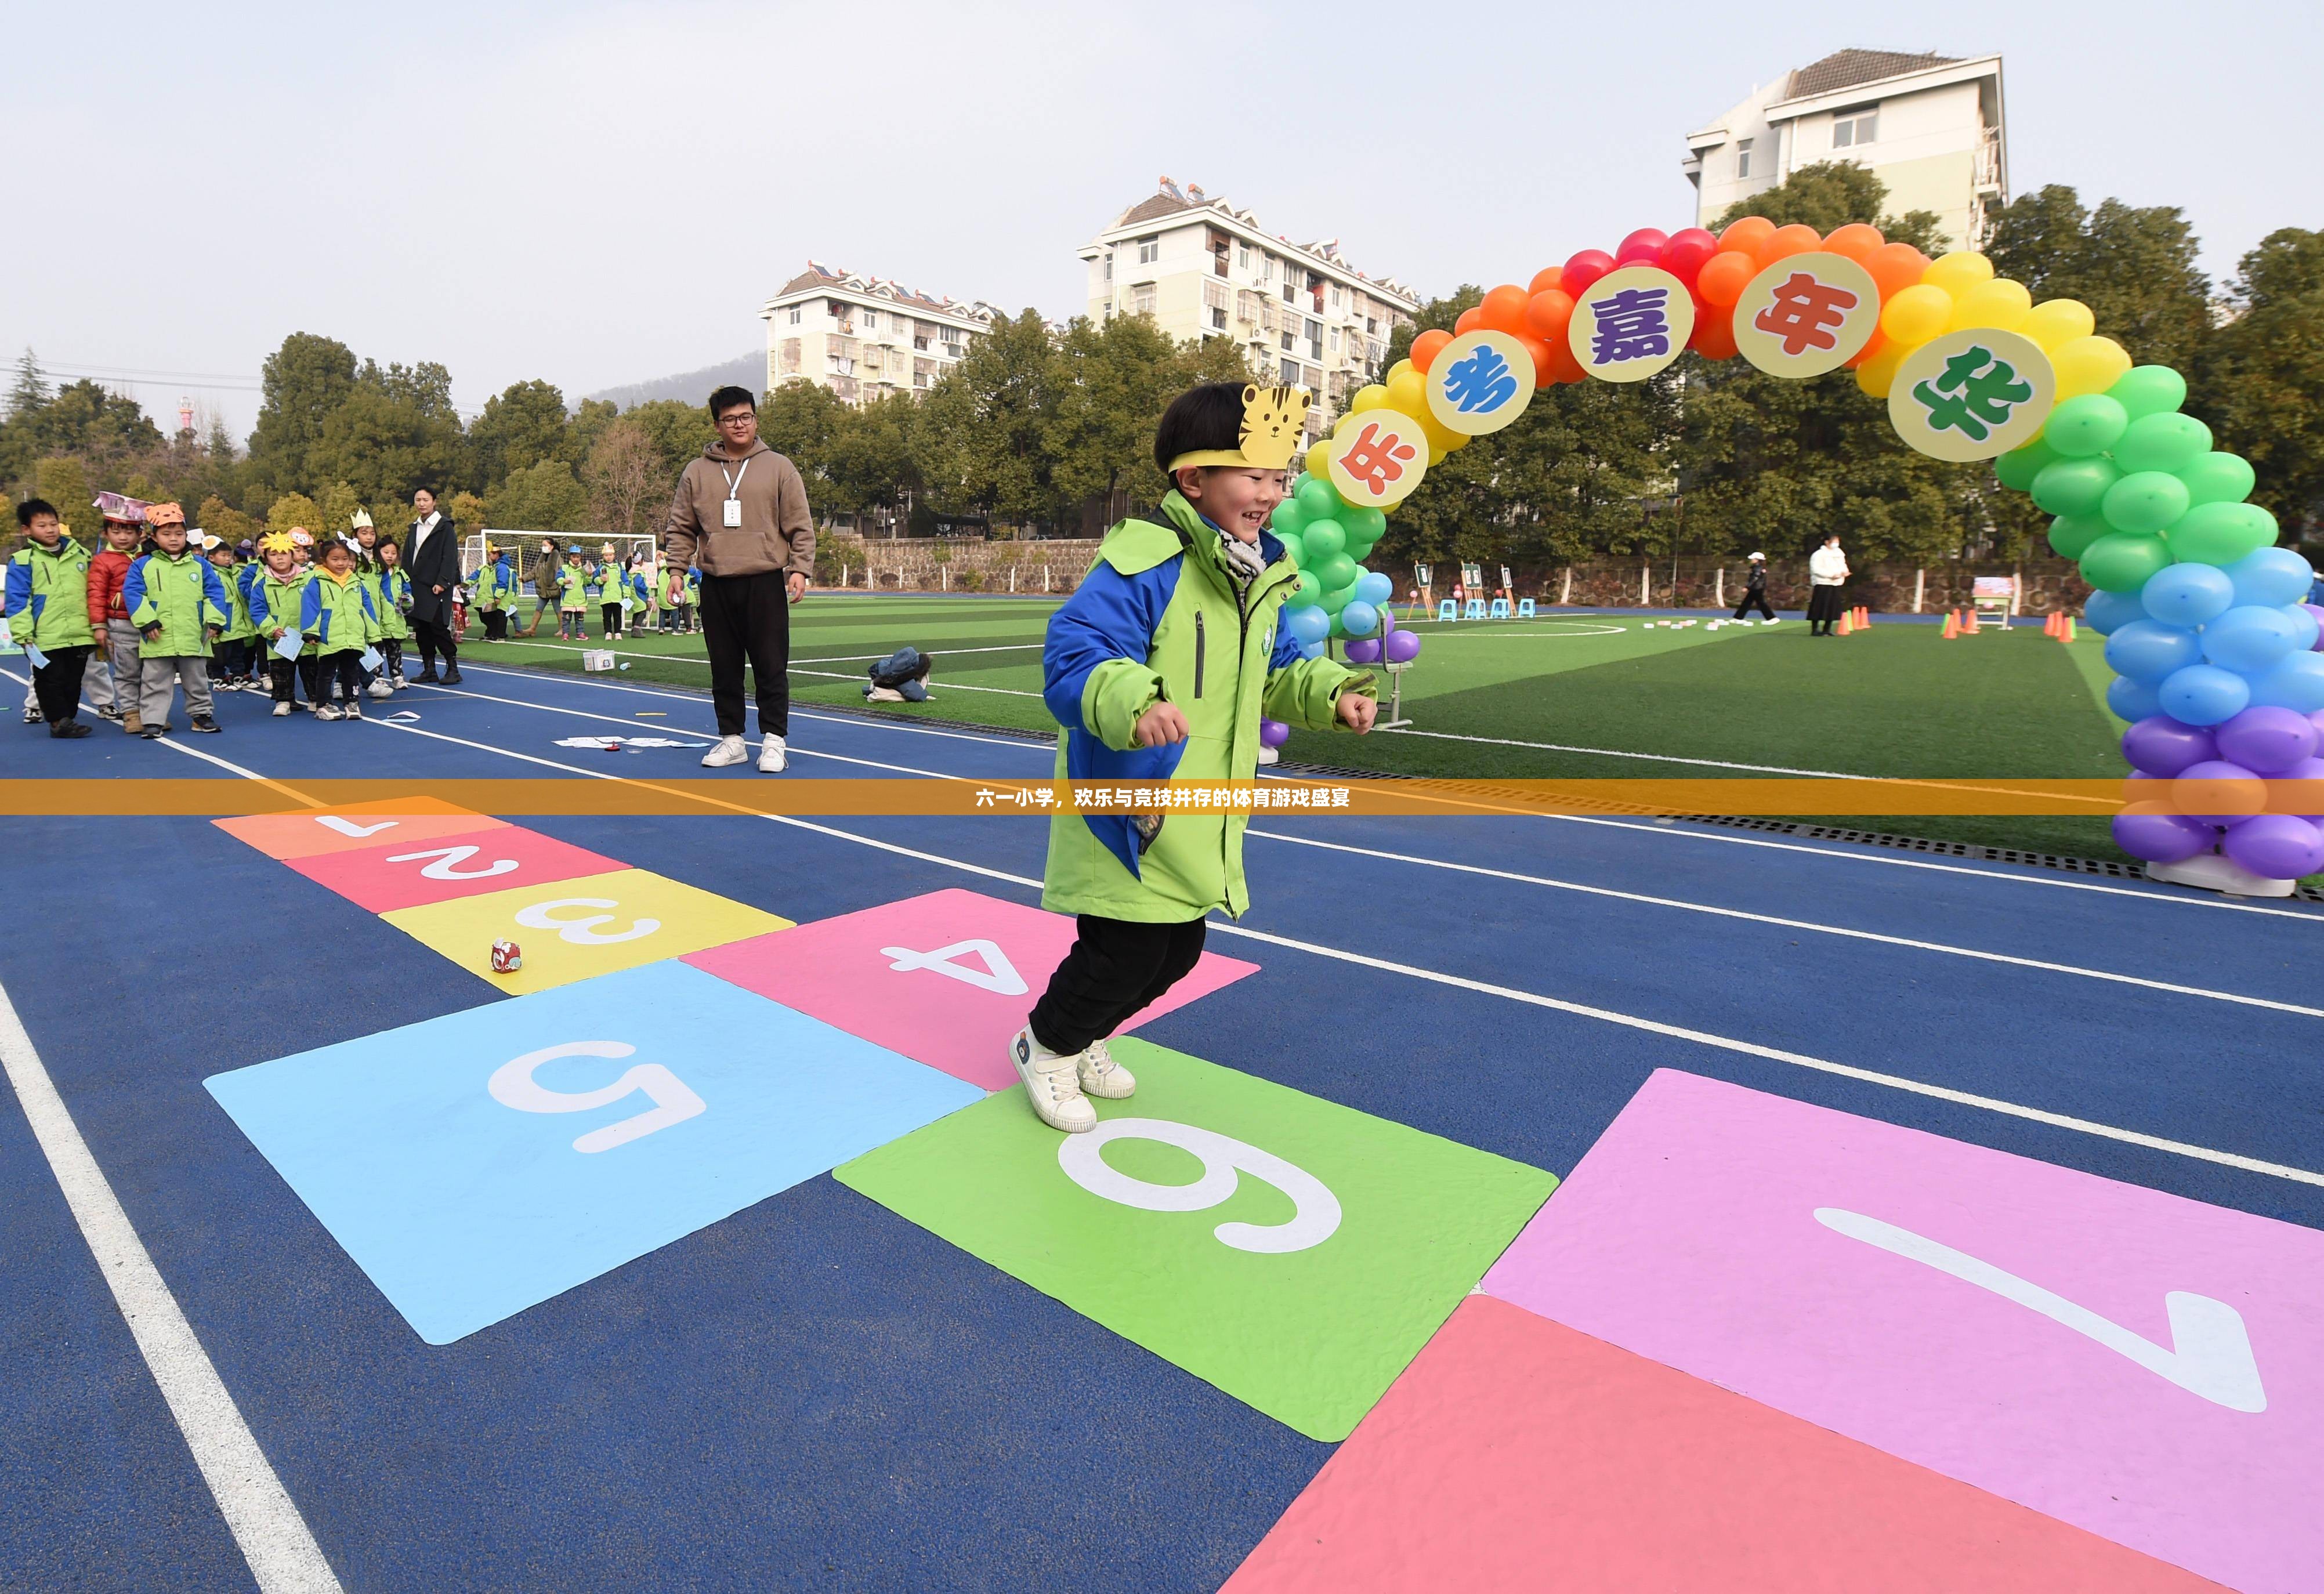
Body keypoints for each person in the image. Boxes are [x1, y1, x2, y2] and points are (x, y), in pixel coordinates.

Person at [1009, 382, 1377, 1132]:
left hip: (1205, 806)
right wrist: (1133, 700)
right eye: (1254, 476)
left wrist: (1331, 692)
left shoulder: (1263, 574)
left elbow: (1279, 668)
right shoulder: (1148, 560)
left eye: (1280, 479)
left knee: (1177, 953)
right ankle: (1044, 1047)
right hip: (1133, 802)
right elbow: (1076, 651)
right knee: (1122, 951)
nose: (1271, 495)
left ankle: (1085, 1038)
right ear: (1192, 479)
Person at [661, 385, 815, 772]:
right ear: (718, 424)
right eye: (730, 419)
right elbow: (681, 528)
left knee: (770, 664)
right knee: (724, 666)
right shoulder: (697, 472)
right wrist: (677, 570)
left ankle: (774, 741)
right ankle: (732, 740)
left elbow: (800, 524)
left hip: (764, 580)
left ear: (755, 419)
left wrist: (800, 567)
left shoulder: (779, 467)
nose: (739, 424)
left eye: (746, 416)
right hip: (716, 581)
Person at [121, 503, 228, 736]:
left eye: (179, 534)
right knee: (155, 680)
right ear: (154, 536)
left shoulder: (200, 565)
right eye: (166, 534)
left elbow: (215, 593)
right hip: (158, 636)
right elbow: (134, 594)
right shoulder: (142, 565)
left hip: (193, 634)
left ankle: (201, 716)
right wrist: (147, 621)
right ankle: (153, 720)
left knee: (197, 679)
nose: (173, 539)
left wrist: (215, 620)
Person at [5, 498, 99, 738]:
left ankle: (68, 718)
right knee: (49, 680)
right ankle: (58, 721)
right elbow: (18, 601)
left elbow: (94, 591)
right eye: (42, 525)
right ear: (27, 530)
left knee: (73, 681)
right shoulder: (23, 560)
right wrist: (24, 634)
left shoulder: (81, 555)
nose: (49, 530)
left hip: (79, 632)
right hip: (44, 635)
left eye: (53, 524)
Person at [85, 502, 147, 732]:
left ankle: (151, 713)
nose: (123, 536)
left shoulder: (147, 556)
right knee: (127, 671)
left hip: (150, 624)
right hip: (121, 624)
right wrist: (99, 625)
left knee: (153, 672)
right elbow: (95, 594)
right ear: (105, 533)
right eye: (116, 531)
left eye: (129, 531)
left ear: (140, 534)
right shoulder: (102, 560)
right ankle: (131, 713)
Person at [301, 535, 377, 720]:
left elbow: (367, 609)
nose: (341, 563)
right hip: (329, 637)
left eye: (345, 559)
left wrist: (374, 634)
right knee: (326, 673)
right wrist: (311, 631)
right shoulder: (317, 581)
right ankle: (324, 705)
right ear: (324, 560)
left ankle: (352, 702)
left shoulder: (357, 583)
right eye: (335, 559)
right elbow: (311, 606)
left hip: (353, 637)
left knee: (352, 672)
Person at [403, 487, 462, 683]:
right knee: (421, 629)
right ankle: (429, 669)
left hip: (435, 586)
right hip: (416, 585)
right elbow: (407, 557)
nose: (421, 503)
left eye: (425, 500)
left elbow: (450, 557)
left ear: (434, 501)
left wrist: (443, 582)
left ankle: (452, 668)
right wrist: (404, 582)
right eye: (418, 500)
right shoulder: (414, 527)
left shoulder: (445, 527)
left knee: (438, 627)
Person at [248, 531, 310, 716]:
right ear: (265, 558)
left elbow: (317, 604)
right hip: (280, 636)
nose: (280, 558)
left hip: (307, 635)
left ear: (292, 555)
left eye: (284, 553)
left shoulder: (308, 578)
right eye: (274, 555)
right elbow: (257, 610)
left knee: (311, 669)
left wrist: (314, 629)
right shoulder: (261, 582)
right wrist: (271, 628)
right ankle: (283, 701)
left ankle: (316, 698)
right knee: (281, 671)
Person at [205, 535, 259, 689]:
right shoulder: (211, 574)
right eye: (223, 556)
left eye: (229, 555)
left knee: (238, 652)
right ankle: (219, 678)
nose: (228, 559)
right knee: (219, 654)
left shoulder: (237, 572)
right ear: (212, 558)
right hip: (223, 621)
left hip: (239, 621)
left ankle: (239, 676)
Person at [376, 538, 412, 688]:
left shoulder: (401, 574)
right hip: (379, 621)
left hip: (396, 620)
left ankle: (397, 676)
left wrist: (407, 600)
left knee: (395, 650)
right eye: (386, 552)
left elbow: (408, 591)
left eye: (393, 553)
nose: (390, 556)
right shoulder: (375, 573)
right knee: (377, 651)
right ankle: (377, 678)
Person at [1807, 532, 1850, 636]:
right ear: (1827, 542)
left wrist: (1845, 572)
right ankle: (1815, 629)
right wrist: (1831, 575)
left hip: (1836, 583)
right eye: (1834, 541)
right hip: (1823, 583)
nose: (1836, 544)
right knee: (1819, 606)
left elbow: (1843, 565)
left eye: (1837, 542)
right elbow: (1816, 569)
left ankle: (1827, 629)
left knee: (1833, 607)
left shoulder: (1839, 553)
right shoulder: (1819, 554)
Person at [473, 543, 515, 640]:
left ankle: (500, 636)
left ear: (496, 555)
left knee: (499, 616)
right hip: (492, 596)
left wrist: (498, 596)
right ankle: (493, 633)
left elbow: (503, 582)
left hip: (500, 596)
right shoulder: (493, 567)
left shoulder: (501, 567)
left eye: (490, 554)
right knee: (487, 616)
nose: (489, 556)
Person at [554, 544, 591, 639]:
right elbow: (558, 579)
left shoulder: (583, 570)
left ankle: (580, 633)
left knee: (580, 619)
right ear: (570, 557)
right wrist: (563, 581)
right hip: (568, 599)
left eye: (578, 557)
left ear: (581, 557)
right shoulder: (564, 568)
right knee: (566, 619)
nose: (576, 559)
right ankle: (565, 634)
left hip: (580, 599)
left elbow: (588, 583)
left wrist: (589, 575)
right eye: (574, 557)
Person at [1733, 550, 1776, 621]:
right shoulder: (1759, 567)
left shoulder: (1757, 567)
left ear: (1757, 560)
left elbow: (1755, 578)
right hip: (1757, 588)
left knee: (1761, 604)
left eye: (1753, 559)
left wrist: (1747, 587)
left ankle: (1772, 618)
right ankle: (1738, 618)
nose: (1751, 560)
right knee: (1747, 603)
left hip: (1757, 588)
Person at [597, 542, 625, 639]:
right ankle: (608, 632)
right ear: (603, 556)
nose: (608, 557)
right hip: (605, 597)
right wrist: (601, 580)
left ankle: (618, 632)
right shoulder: (601, 568)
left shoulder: (620, 567)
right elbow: (594, 579)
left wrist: (626, 593)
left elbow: (625, 581)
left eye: (610, 555)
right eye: (606, 555)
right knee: (607, 616)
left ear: (614, 555)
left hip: (617, 597)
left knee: (618, 616)